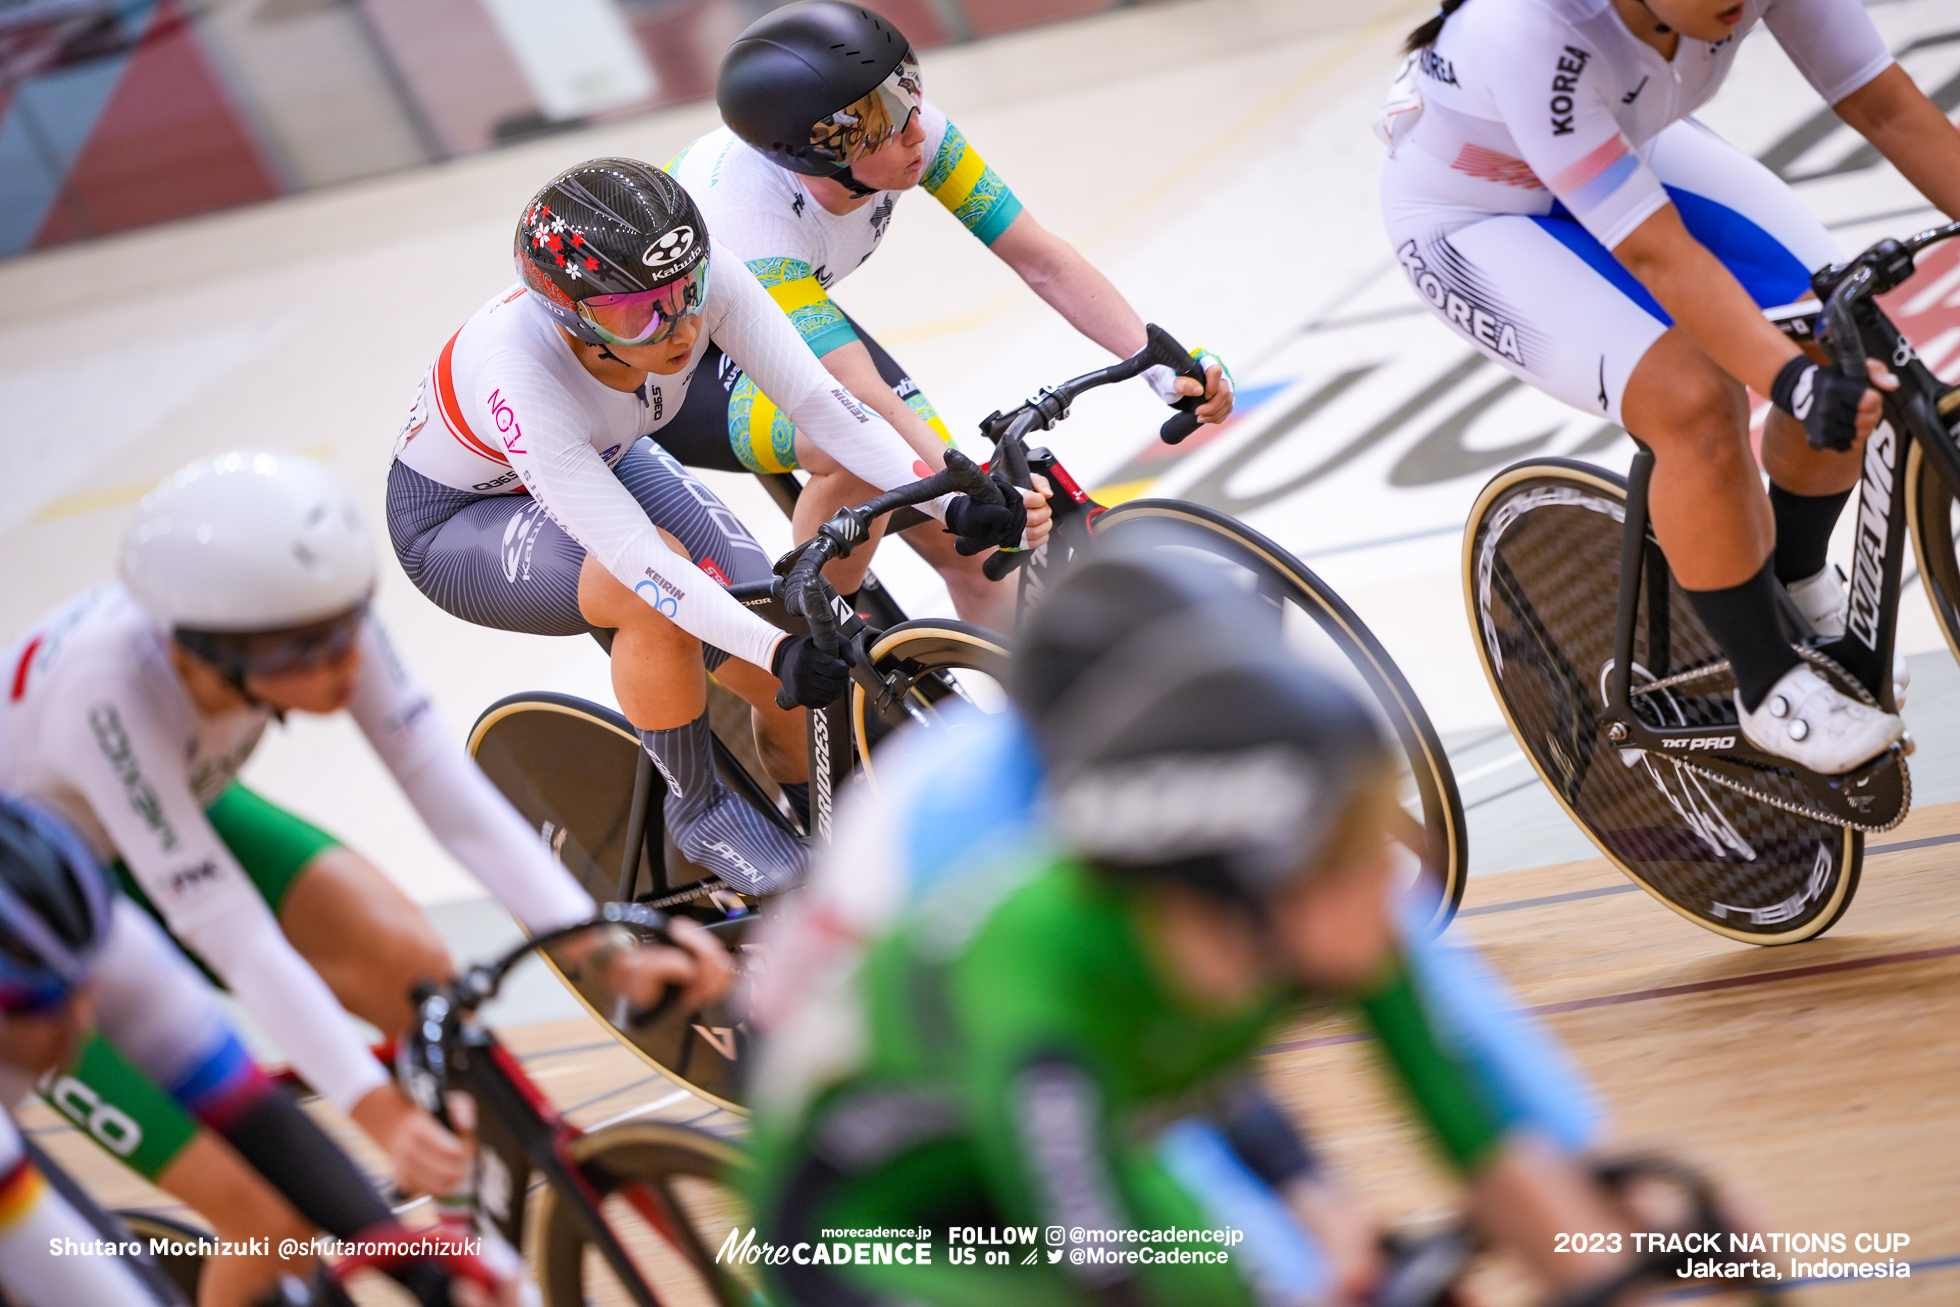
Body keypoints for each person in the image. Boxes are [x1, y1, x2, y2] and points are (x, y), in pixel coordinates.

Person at [746, 551, 1734, 1307]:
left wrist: (1605, 1239)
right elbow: (1110, 1171)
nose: (1378, 886)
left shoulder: (1258, 852)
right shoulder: (979, 851)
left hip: (1083, 1073)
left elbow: (1477, 1087)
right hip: (881, 1182)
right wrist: (1301, 1221)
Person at [0, 451, 728, 1307]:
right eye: (303, 651)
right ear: (199, 649)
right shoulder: (107, 687)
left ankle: (477, 1219)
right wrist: (370, 1106)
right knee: (267, 1213)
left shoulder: (311, 613)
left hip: (169, 817)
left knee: (416, 972)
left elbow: (452, 801)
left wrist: (604, 946)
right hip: (39, 917)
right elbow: (229, 927)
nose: (343, 666)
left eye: (350, 626)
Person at [387, 157, 1048, 893]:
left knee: (787, 650)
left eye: (688, 290)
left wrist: (951, 501)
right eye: (639, 313)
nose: (679, 326)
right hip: (460, 518)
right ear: (572, 315)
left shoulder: (711, 282)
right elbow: (641, 563)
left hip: (605, 457)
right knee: (651, 595)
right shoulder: (517, 373)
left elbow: (826, 409)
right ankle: (698, 807)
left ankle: (837, 847)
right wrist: (772, 652)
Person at [1378, 0, 1960, 773]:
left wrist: (1808, 368)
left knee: (1840, 326)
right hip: (1477, 214)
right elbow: (1659, 254)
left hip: (1619, 147)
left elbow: (1886, 105)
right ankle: (1769, 686)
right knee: (1692, 400)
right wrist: (1785, 384)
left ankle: (1794, 571)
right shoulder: (1527, 28)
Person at [663, 0, 1236, 630]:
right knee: (859, 452)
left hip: (773, 319)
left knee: (986, 553)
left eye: (906, 89)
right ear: (813, 153)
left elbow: (1040, 259)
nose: (917, 128)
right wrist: (975, 495)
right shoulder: (751, 220)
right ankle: (803, 663)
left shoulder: (907, 130)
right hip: (671, 368)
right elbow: (860, 398)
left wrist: (1159, 364)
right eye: (886, 120)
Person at [0, 797, 509, 1307]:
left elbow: (257, 1120)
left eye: (85, 989)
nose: (81, 1022)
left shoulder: (113, 942)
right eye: (38, 1003)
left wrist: (432, 1284)